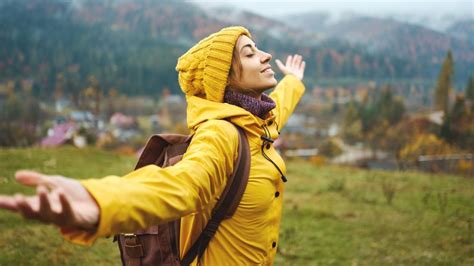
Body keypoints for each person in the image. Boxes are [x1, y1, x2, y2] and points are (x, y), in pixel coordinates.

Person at [0, 26, 305, 265]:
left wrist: (293, 80)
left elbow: (279, 108)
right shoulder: (222, 134)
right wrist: (99, 203)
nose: (265, 56)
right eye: (250, 54)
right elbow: (181, 186)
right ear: (225, 80)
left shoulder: (255, 121)